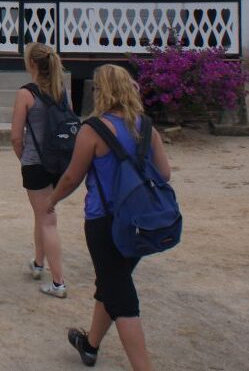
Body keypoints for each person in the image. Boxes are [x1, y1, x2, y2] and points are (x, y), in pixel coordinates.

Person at [47, 64, 171, 371]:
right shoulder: (147, 128)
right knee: (112, 283)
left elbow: (72, 177)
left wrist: (51, 201)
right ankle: (89, 346)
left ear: (102, 91)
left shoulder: (93, 129)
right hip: (140, 221)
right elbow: (165, 174)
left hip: (104, 222)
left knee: (123, 299)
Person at [10, 42, 68, 298]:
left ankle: (58, 282)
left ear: (31, 63)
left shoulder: (26, 94)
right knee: (42, 214)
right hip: (58, 162)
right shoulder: (61, 90)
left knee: (47, 219)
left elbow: (15, 136)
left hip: (35, 162)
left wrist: (24, 157)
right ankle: (38, 262)